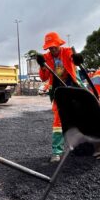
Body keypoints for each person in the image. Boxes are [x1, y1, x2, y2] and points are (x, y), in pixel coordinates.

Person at [36, 32, 84, 163]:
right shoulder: (46, 58)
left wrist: (78, 58)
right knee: (58, 120)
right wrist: (42, 66)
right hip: (58, 90)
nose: (52, 50)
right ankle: (56, 151)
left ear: (59, 44)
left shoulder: (67, 52)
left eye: (54, 47)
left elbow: (74, 59)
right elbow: (44, 78)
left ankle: (83, 145)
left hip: (73, 86)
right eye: (50, 48)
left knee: (83, 112)